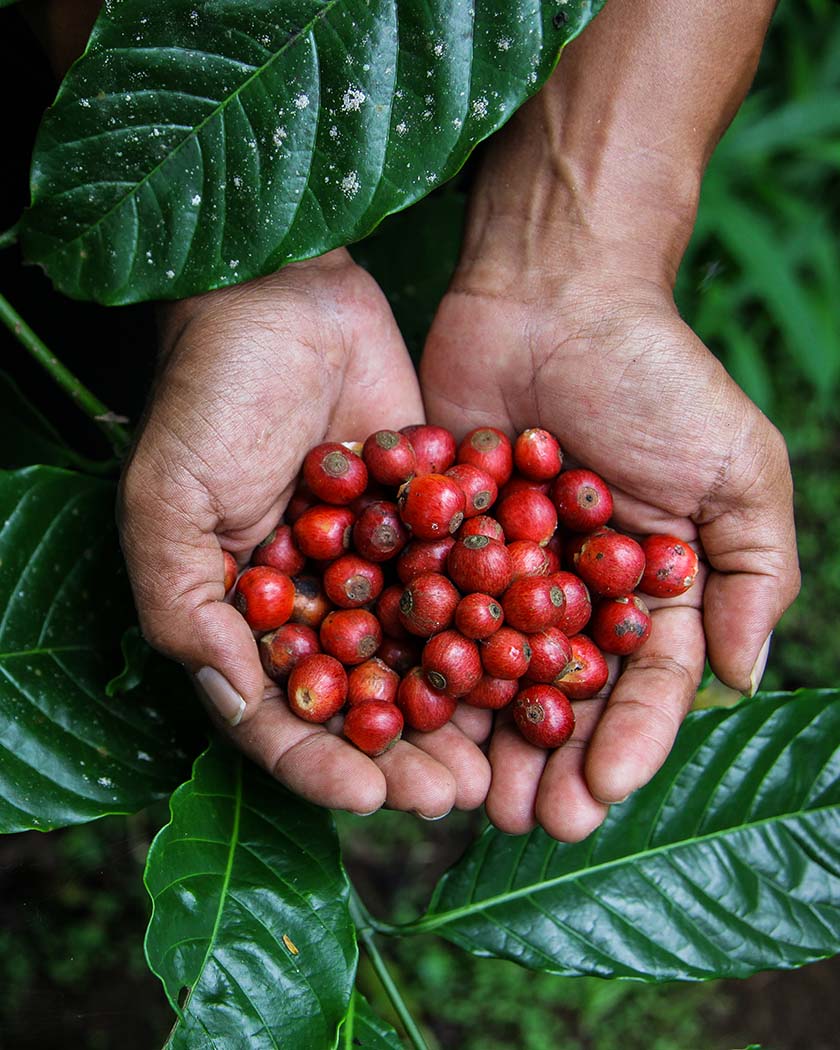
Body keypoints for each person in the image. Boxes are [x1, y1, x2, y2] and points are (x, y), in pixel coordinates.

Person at [50, 0, 796, 838]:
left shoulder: (474, 570)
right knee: (104, 369)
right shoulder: (432, 563)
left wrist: (590, 254)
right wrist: (236, 273)